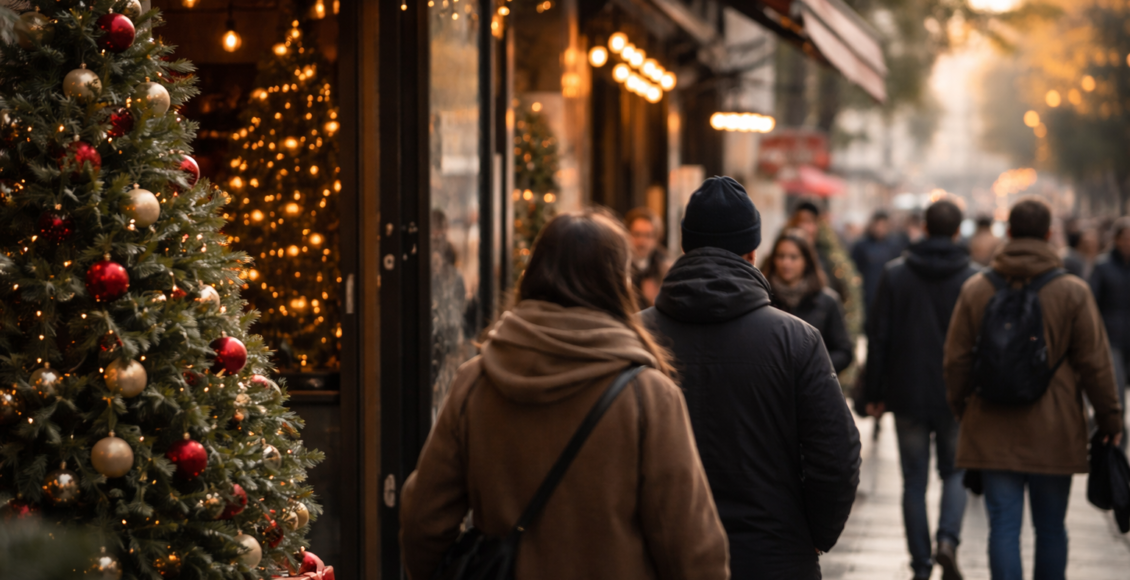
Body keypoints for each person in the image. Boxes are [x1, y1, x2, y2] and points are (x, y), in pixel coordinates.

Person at [401, 210, 730, 580]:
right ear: (617, 283)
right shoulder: (648, 395)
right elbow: (692, 546)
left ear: (535, 273)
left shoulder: (476, 380)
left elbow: (422, 521)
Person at [640, 176, 861, 580]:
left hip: (662, 552)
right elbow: (836, 455)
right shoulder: (795, 339)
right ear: (754, 252)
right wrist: (816, 534)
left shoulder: (635, 335)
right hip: (772, 553)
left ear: (685, 247)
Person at [944, 197, 1124, 580]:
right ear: (1049, 234)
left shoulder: (977, 288)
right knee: (1051, 528)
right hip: (1054, 427)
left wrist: (961, 407)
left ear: (1007, 233)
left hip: (991, 424)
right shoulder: (1073, 291)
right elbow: (1095, 362)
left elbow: (955, 359)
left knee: (1004, 527)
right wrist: (1110, 419)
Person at [862, 200, 977, 580]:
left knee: (914, 480)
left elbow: (879, 338)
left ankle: (921, 565)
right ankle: (947, 540)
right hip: (956, 395)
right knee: (955, 472)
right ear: (958, 231)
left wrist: (874, 391)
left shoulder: (896, 275)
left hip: (907, 390)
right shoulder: (974, 278)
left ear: (924, 228)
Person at [762, 230, 854, 373]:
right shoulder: (763, 299)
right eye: (781, 256)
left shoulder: (827, 301)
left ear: (806, 260)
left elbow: (844, 352)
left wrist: (814, 368)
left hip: (813, 388)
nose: (786, 262)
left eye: (793, 257)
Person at [788, 200, 865, 344]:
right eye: (800, 221)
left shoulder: (832, 260)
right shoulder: (780, 256)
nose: (804, 227)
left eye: (810, 222)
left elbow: (850, 298)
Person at [1089, 216, 1130, 437]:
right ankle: (1117, 435)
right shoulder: (1102, 266)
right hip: (1111, 337)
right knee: (1117, 391)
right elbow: (1091, 302)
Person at [852, 210, 908, 317]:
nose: (879, 228)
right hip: (868, 292)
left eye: (883, 225)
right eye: (877, 225)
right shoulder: (861, 245)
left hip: (889, 292)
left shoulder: (895, 245)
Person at [624, 207, 671, 308]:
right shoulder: (618, 264)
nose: (642, 242)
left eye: (648, 235)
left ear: (657, 238)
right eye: (637, 234)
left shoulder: (666, 269)